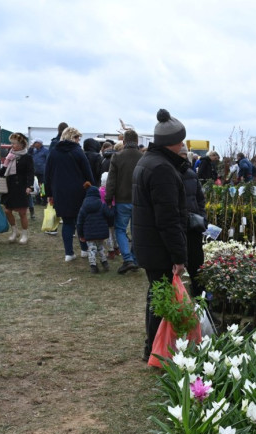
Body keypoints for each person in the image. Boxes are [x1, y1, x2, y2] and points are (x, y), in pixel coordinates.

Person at [132, 108, 188, 362]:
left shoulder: (147, 162)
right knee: (160, 299)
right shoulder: (162, 169)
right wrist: (178, 256)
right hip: (159, 247)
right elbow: (168, 218)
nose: (183, 144)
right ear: (172, 142)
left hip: (148, 244)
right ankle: (156, 350)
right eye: (181, 140)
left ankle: (154, 347)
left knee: (156, 296)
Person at [45, 126, 94, 262]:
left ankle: (69, 253)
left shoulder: (54, 152)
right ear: (73, 137)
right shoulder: (78, 151)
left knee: (67, 222)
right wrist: (92, 188)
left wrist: (49, 193)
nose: (79, 141)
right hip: (79, 191)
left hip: (59, 191)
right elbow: (87, 172)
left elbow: (47, 174)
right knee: (81, 221)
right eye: (78, 137)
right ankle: (84, 249)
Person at [106, 129, 143, 274]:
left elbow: (111, 181)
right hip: (139, 201)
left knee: (120, 229)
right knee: (136, 231)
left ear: (124, 141)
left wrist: (109, 198)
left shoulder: (117, 157)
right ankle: (134, 258)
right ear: (137, 141)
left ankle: (127, 259)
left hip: (122, 199)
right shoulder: (143, 157)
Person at [0, 132, 36, 244]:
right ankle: (14, 231)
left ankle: (25, 234)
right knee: (7, 210)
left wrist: (29, 186)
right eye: (11, 143)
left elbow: (30, 173)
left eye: (14, 144)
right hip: (9, 186)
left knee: (22, 212)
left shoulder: (27, 157)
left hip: (21, 187)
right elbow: (4, 169)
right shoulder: (9, 154)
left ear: (22, 144)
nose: (12, 146)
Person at [180, 144, 206, 297]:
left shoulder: (191, 174)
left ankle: (202, 303)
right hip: (177, 227)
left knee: (197, 267)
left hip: (193, 226)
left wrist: (202, 217)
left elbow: (200, 199)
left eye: (183, 156)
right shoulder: (168, 174)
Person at [76, 183, 113, 273]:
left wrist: (81, 235)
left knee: (91, 248)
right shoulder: (102, 204)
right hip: (101, 232)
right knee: (100, 247)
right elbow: (109, 215)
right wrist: (109, 224)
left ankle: (93, 266)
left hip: (89, 233)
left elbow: (79, 223)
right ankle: (104, 262)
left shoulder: (83, 207)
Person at [30, 138, 49, 206]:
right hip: (35, 171)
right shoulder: (34, 151)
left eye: (35, 143)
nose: (34, 144)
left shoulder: (45, 151)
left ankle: (44, 200)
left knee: (42, 187)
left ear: (39, 143)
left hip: (42, 172)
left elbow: (48, 161)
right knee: (36, 186)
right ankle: (37, 199)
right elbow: (29, 155)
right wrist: (31, 148)